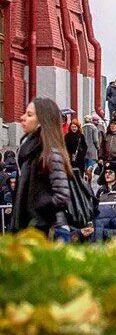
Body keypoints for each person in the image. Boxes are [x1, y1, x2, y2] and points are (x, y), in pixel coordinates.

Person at [9, 97, 72, 240]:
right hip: (27, 229)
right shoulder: (29, 151)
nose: (23, 118)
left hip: (47, 230)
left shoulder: (50, 153)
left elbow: (62, 195)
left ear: (42, 121)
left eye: (29, 115)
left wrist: (38, 208)